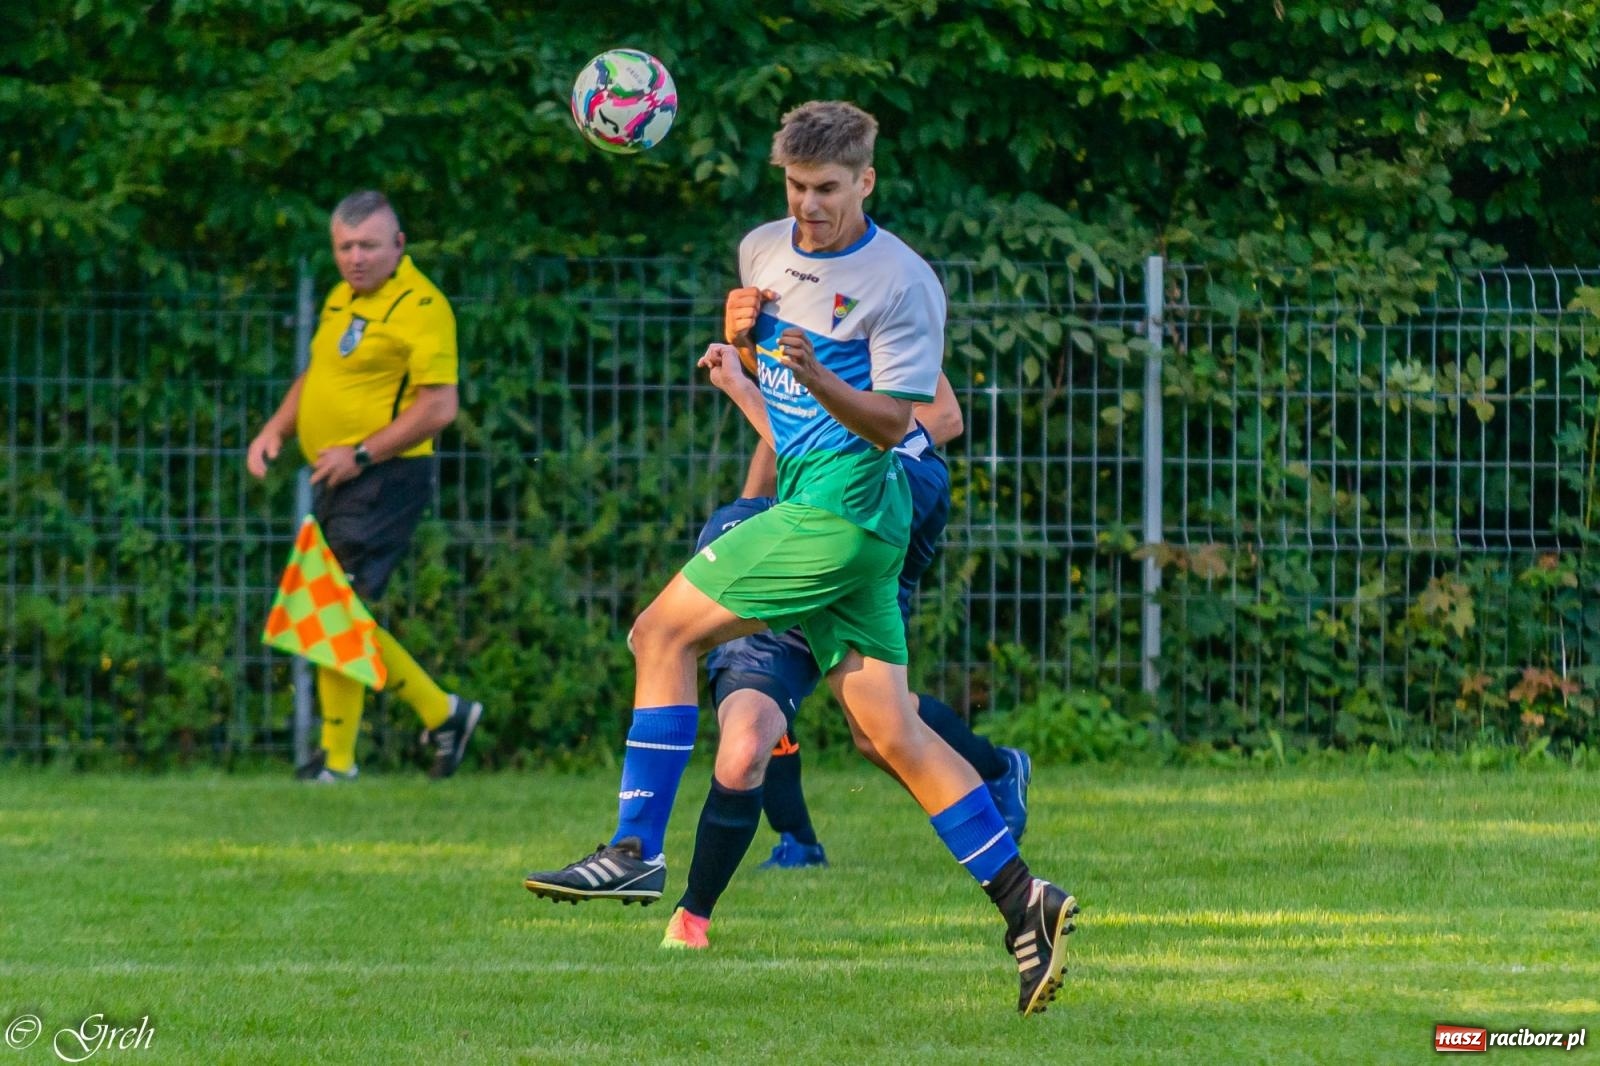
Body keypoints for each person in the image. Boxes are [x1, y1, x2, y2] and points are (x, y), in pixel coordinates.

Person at [522, 101, 1077, 1016]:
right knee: (890, 731)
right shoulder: (762, 249)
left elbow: (901, 423)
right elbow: (792, 412)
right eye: (795, 187)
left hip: (840, 518)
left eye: (827, 189)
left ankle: (633, 851)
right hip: (849, 528)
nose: (810, 205)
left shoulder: (903, 284)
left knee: (659, 635)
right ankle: (1027, 903)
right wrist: (743, 351)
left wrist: (824, 374)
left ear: (866, 180)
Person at [674, 385, 1029, 954]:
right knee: (744, 731)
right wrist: (749, 509)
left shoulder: (890, 303)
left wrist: (848, 441)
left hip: (871, 515)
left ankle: (996, 789)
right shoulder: (782, 312)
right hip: (803, 515)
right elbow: (793, 433)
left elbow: (942, 418)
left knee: (881, 734)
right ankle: (711, 898)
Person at [246, 190, 482, 782]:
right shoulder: (341, 298)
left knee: (336, 606)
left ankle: (348, 758)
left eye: (368, 246)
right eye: (345, 247)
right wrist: (276, 427)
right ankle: (438, 715)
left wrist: (360, 453)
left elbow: (439, 408)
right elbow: (317, 374)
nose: (355, 258)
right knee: (331, 608)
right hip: (343, 475)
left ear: (398, 245)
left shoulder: (423, 306)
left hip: (386, 477)